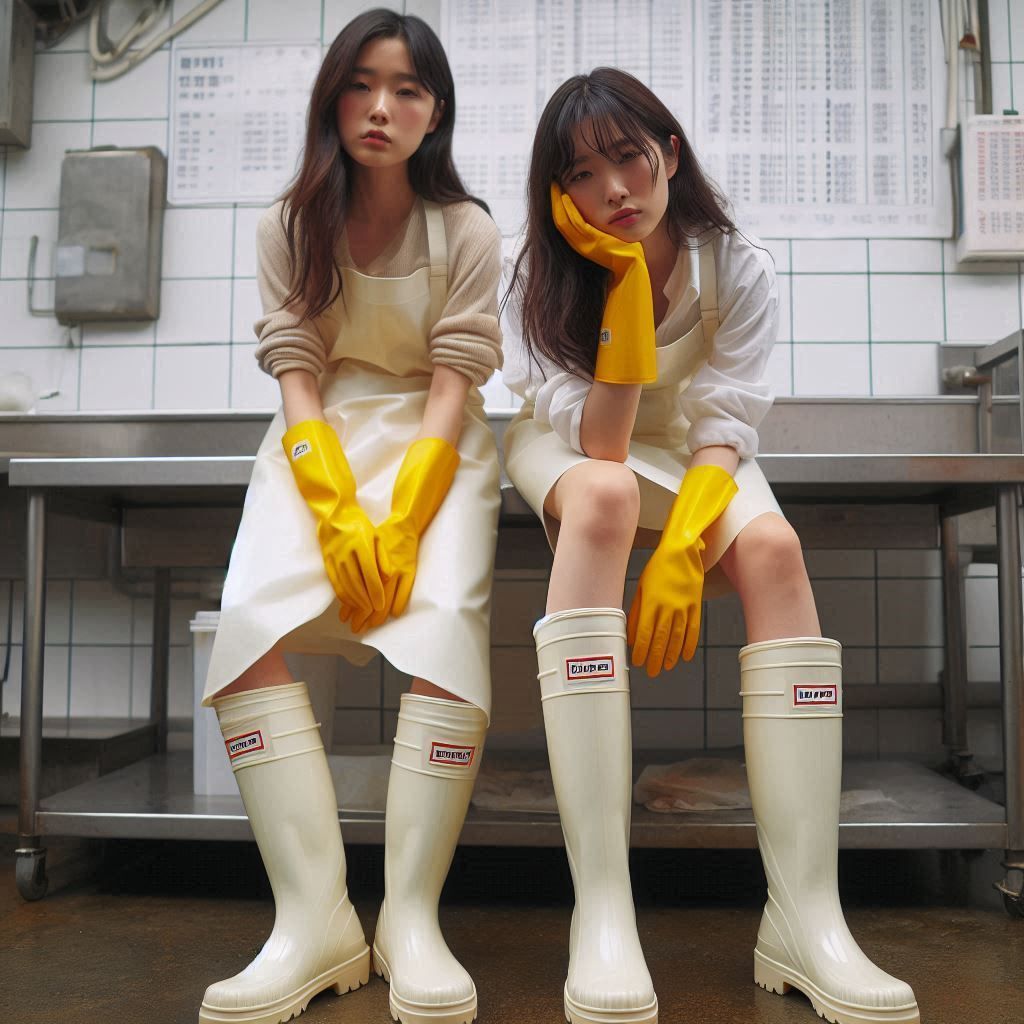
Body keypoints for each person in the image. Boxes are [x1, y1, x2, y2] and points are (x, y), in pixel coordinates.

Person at [502, 68, 920, 1024]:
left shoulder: (737, 263)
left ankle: (806, 916)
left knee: (773, 552)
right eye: (582, 173)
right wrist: (621, 290)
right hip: (577, 444)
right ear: (558, 195)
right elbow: (598, 442)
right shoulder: (531, 277)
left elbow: (723, 426)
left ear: (669, 155)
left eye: (628, 156)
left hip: (695, 449)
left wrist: (687, 548)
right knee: (604, 496)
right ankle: (602, 909)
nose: (613, 187)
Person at [197, 11, 502, 1024]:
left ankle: (410, 917)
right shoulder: (288, 223)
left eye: (408, 89)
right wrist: (331, 509)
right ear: (332, 97)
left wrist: (407, 517)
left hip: (435, 444)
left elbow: (456, 383)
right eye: (362, 84)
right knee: (244, 635)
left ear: (435, 112)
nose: (382, 108)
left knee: (444, 639)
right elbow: (295, 373)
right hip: (315, 436)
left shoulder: (466, 228)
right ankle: (313, 918)